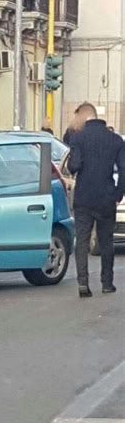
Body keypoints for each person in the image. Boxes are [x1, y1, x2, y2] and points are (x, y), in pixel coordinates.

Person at [67, 103, 125, 297]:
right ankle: (107, 283)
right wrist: (118, 194)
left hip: (83, 198)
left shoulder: (78, 138)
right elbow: (123, 170)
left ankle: (83, 284)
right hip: (107, 197)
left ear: (84, 117)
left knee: (82, 241)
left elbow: (74, 166)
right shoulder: (115, 140)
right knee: (106, 241)